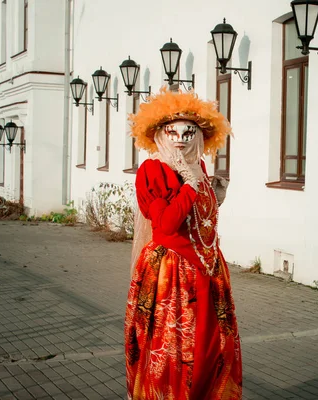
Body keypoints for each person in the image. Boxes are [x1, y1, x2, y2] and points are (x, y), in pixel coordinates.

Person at [124, 88, 242, 400]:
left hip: (207, 273)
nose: (180, 139)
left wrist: (211, 192)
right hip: (172, 275)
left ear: (201, 136)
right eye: (171, 131)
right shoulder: (153, 170)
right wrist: (190, 185)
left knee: (209, 350)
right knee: (174, 353)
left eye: (189, 132)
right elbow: (164, 225)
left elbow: (202, 223)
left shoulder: (199, 168)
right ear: (158, 135)